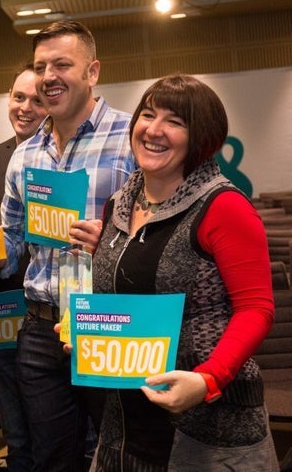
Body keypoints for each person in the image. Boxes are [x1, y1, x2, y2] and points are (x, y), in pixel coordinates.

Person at [0, 20, 136, 471]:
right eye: (41, 66)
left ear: (93, 71)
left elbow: (161, 231)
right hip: (41, 329)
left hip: (109, 319)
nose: (49, 76)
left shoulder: (130, 137)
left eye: (62, 64)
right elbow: (15, 246)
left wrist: (114, 243)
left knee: (122, 453)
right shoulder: (26, 154)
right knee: (51, 459)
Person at [88, 74, 277, 471]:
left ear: (201, 136)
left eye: (174, 121)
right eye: (148, 114)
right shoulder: (118, 204)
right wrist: (88, 333)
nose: (153, 130)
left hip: (209, 422)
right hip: (126, 420)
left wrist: (209, 380)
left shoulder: (224, 207)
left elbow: (256, 309)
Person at [0, 62, 47, 472]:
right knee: (15, 424)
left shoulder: (60, 155)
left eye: (36, 100)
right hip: (2, 302)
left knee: (51, 422)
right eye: (18, 97)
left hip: (44, 305)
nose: (25, 107)